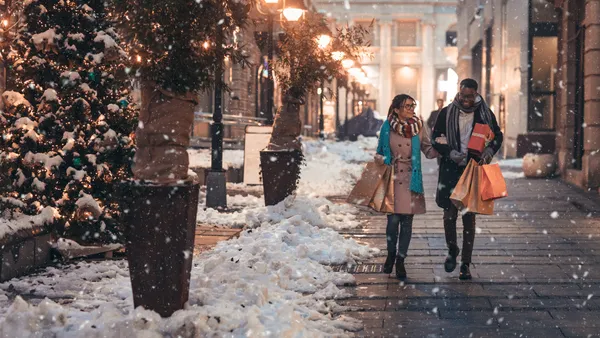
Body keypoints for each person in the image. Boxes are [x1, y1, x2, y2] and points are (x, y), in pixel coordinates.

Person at [431, 79, 503, 280]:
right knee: (449, 216)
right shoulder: (446, 112)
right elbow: (436, 137)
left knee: (468, 218)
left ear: (476, 94)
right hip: (450, 170)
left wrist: (489, 150)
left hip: (473, 170)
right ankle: (452, 250)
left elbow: (497, 136)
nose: (465, 100)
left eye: (469, 96)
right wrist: (449, 152)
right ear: (459, 93)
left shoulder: (485, 113)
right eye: (462, 96)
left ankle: (465, 264)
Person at [375, 94, 438, 280]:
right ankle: (391, 254)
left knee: (407, 222)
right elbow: (379, 151)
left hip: (411, 177)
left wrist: (441, 148)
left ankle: (401, 260)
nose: (411, 109)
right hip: (392, 178)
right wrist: (381, 159)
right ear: (396, 109)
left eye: (413, 105)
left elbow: (427, 148)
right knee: (393, 221)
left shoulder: (419, 126)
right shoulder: (387, 126)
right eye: (407, 106)